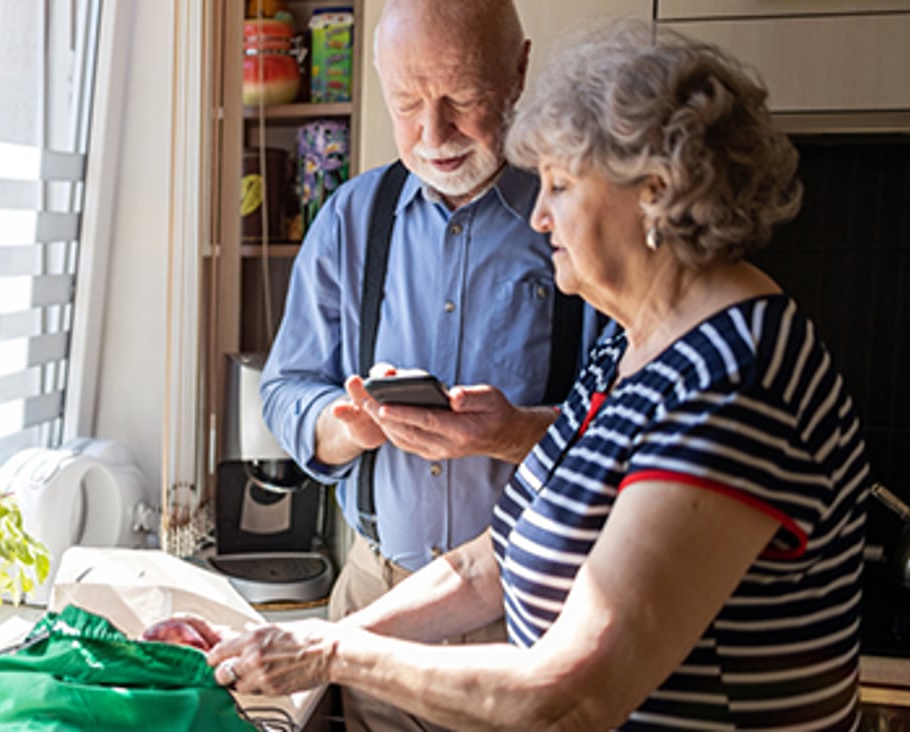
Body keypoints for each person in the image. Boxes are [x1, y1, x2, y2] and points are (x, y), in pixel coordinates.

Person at [200, 19, 871, 730]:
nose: (540, 216)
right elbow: (489, 565)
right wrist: (325, 637)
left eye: (558, 185)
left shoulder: (733, 377)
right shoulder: (638, 350)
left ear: (654, 191)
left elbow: (573, 692)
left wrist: (333, 653)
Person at [259, 2, 600, 726]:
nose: (434, 134)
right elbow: (286, 387)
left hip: (529, 614)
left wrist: (508, 433)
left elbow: (627, 426)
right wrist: (344, 427)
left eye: (463, 100)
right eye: (408, 104)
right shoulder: (348, 219)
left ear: (518, 71)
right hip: (377, 593)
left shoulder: (579, 223)